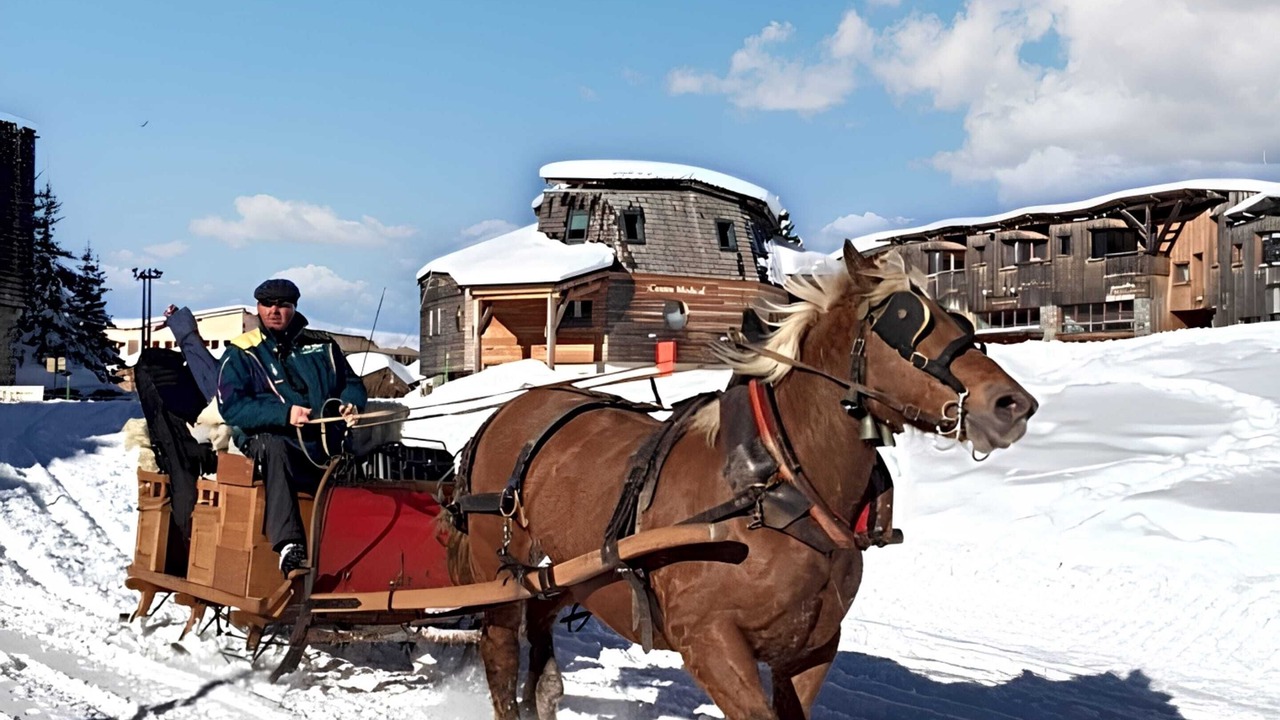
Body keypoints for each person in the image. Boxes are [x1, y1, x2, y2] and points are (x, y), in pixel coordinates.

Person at [216, 278, 367, 576]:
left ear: (294, 308)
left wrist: (350, 404)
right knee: (274, 446)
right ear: (258, 308)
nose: (274, 311)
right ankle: (289, 545)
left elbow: (351, 384)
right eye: (267, 304)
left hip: (322, 443)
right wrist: (284, 414)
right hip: (267, 444)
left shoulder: (323, 345)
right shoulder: (242, 352)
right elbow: (232, 407)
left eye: (283, 305)